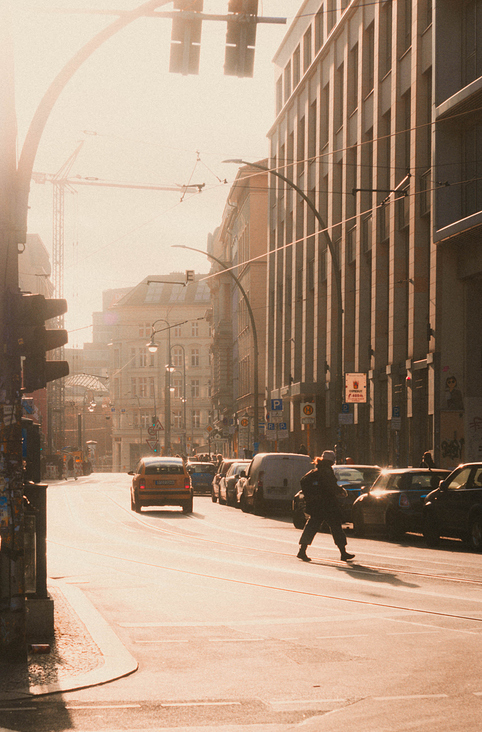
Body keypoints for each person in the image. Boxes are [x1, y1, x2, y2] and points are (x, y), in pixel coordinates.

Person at [297, 450, 355, 562]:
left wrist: (311, 497)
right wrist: (340, 491)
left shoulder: (316, 471)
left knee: (312, 527)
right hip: (328, 504)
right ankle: (343, 552)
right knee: (336, 527)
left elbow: (303, 480)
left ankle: (302, 550)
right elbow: (331, 485)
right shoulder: (327, 471)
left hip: (317, 505)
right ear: (332, 460)